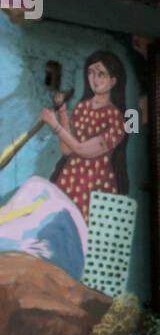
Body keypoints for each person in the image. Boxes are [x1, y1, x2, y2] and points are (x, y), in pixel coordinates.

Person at [40, 50, 128, 223]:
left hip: (95, 186)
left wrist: (54, 124)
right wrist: (63, 112)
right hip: (69, 179)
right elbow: (67, 150)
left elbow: (83, 150)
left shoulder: (116, 119)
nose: (94, 79)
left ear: (112, 81)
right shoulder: (82, 108)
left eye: (101, 74)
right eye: (91, 73)